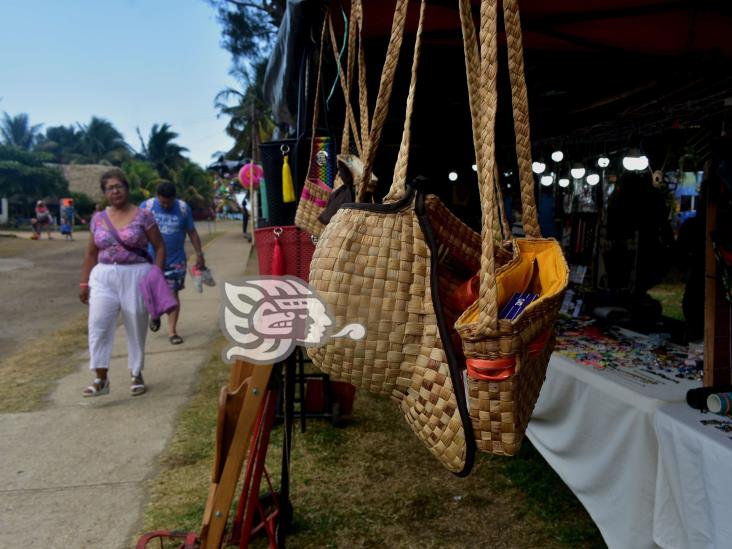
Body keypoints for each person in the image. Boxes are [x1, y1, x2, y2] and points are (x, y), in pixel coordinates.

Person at [79, 168, 165, 397]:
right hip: (103, 276)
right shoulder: (98, 218)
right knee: (97, 325)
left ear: (127, 188)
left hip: (136, 274)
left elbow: (159, 247)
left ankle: (136, 372)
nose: (115, 191)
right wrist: (84, 283)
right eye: (110, 188)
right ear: (104, 193)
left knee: (136, 324)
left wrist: (156, 275)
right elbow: (90, 253)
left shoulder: (143, 216)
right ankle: (100, 378)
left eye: (119, 186)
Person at [142, 182, 206, 345]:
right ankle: (155, 315)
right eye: (162, 202)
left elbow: (192, 232)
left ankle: (172, 331)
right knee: (152, 293)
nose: (165, 205)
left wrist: (199, 254)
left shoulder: (183, 209)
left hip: (175, 261)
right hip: (151, 260)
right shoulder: (147, 207)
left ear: (174, 198)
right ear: (157, 196)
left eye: (168, 202)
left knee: (173, 295)